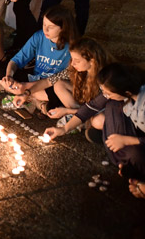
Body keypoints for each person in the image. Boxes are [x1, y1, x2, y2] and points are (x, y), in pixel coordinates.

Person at [45, 63, 145, 198]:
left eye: (108, 93)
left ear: (126, 92)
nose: (105, 95)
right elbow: (91, 107)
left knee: (135, 154)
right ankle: (127, 165)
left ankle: (133, 169)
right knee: (112, 104)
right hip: (134, 133)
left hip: (140, 141)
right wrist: (64, 128)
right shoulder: (120, 91)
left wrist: (126, 140)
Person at [0, 5, 79, 114]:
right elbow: (17, 59)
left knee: (57, 94)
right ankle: (34, 100)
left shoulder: (73, 48)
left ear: (63, 28)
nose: (45, 29)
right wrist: (9, 76)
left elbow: (57, 79)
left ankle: (20, 93)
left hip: (53, 85)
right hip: (35, 80)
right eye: (44, 24)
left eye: (51, 27)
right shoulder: (39, 36)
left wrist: (24, 88)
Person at [39, 37, 112, 127]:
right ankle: (77, 118)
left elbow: (96, 108)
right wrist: (27, 91)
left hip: (100, 111)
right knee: (58, 85)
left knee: (99, 121)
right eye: (72, 59)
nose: (73, 64)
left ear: (92, 61)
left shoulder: (105, 79)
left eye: (77, 61)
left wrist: (66, 111)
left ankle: (77, 119)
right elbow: (51, 80)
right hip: (86, 105)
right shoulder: (77, 69)